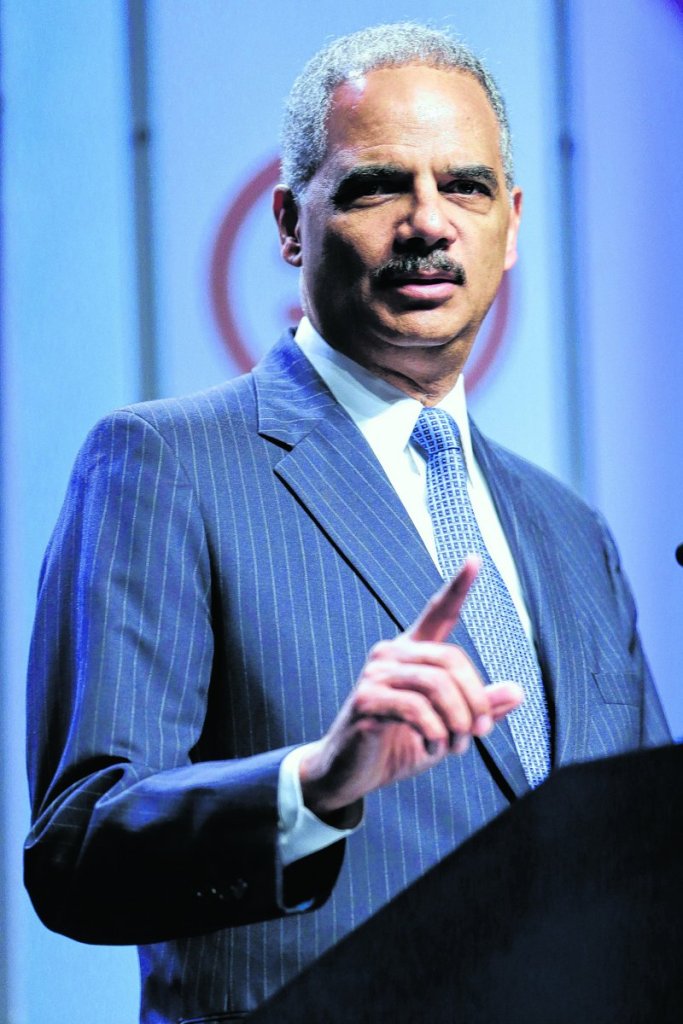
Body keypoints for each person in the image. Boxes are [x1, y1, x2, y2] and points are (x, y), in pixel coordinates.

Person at [25, 21, 670, 1024]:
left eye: (462, 186)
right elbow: (78, 850)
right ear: (288, 223)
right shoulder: (165, 464)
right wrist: (312, 786)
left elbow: (642, 856)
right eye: (376, 186)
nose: (427, 222)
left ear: (510, 219)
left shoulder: (569, 531)